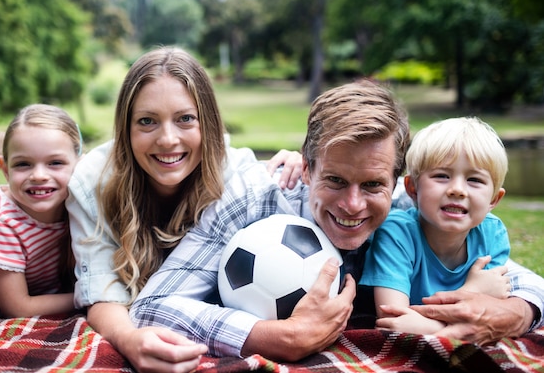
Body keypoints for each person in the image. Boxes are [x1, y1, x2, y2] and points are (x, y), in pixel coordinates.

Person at [131, 80, 544, 362]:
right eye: (335, 180)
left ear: (399, 182)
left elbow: (520, 278)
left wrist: (518, 313)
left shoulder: (410, 211)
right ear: (306, 168)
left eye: (372, 185)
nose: (352, 204)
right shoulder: (249, 208)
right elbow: (151, 307)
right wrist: (267, 336)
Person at [66, 47, 302, 373]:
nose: (168, 139)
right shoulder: (93, 182)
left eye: (185, 119)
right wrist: (129, 339)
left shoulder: (236, 173)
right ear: (125, 128)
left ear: (209, 122)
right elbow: (102, 294)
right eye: (147, 121)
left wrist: (303, 168)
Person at [360, 117, 511, 335]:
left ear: (494, 199)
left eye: (475, 180)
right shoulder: (396, 233)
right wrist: (472, 291)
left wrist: (430, 327)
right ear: (412, 189)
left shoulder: (492, 234)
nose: (457, 190)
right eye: (442, 176)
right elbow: (392, 318)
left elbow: (487, 316)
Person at [0, 104, 82, 318]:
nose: (39, 175)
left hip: (52, 281)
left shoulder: (79, 197)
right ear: (5, 169)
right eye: (23, 164)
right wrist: (92, 294)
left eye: (55, 162)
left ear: (78, 164)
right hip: (11, 291)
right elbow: (17, 308)